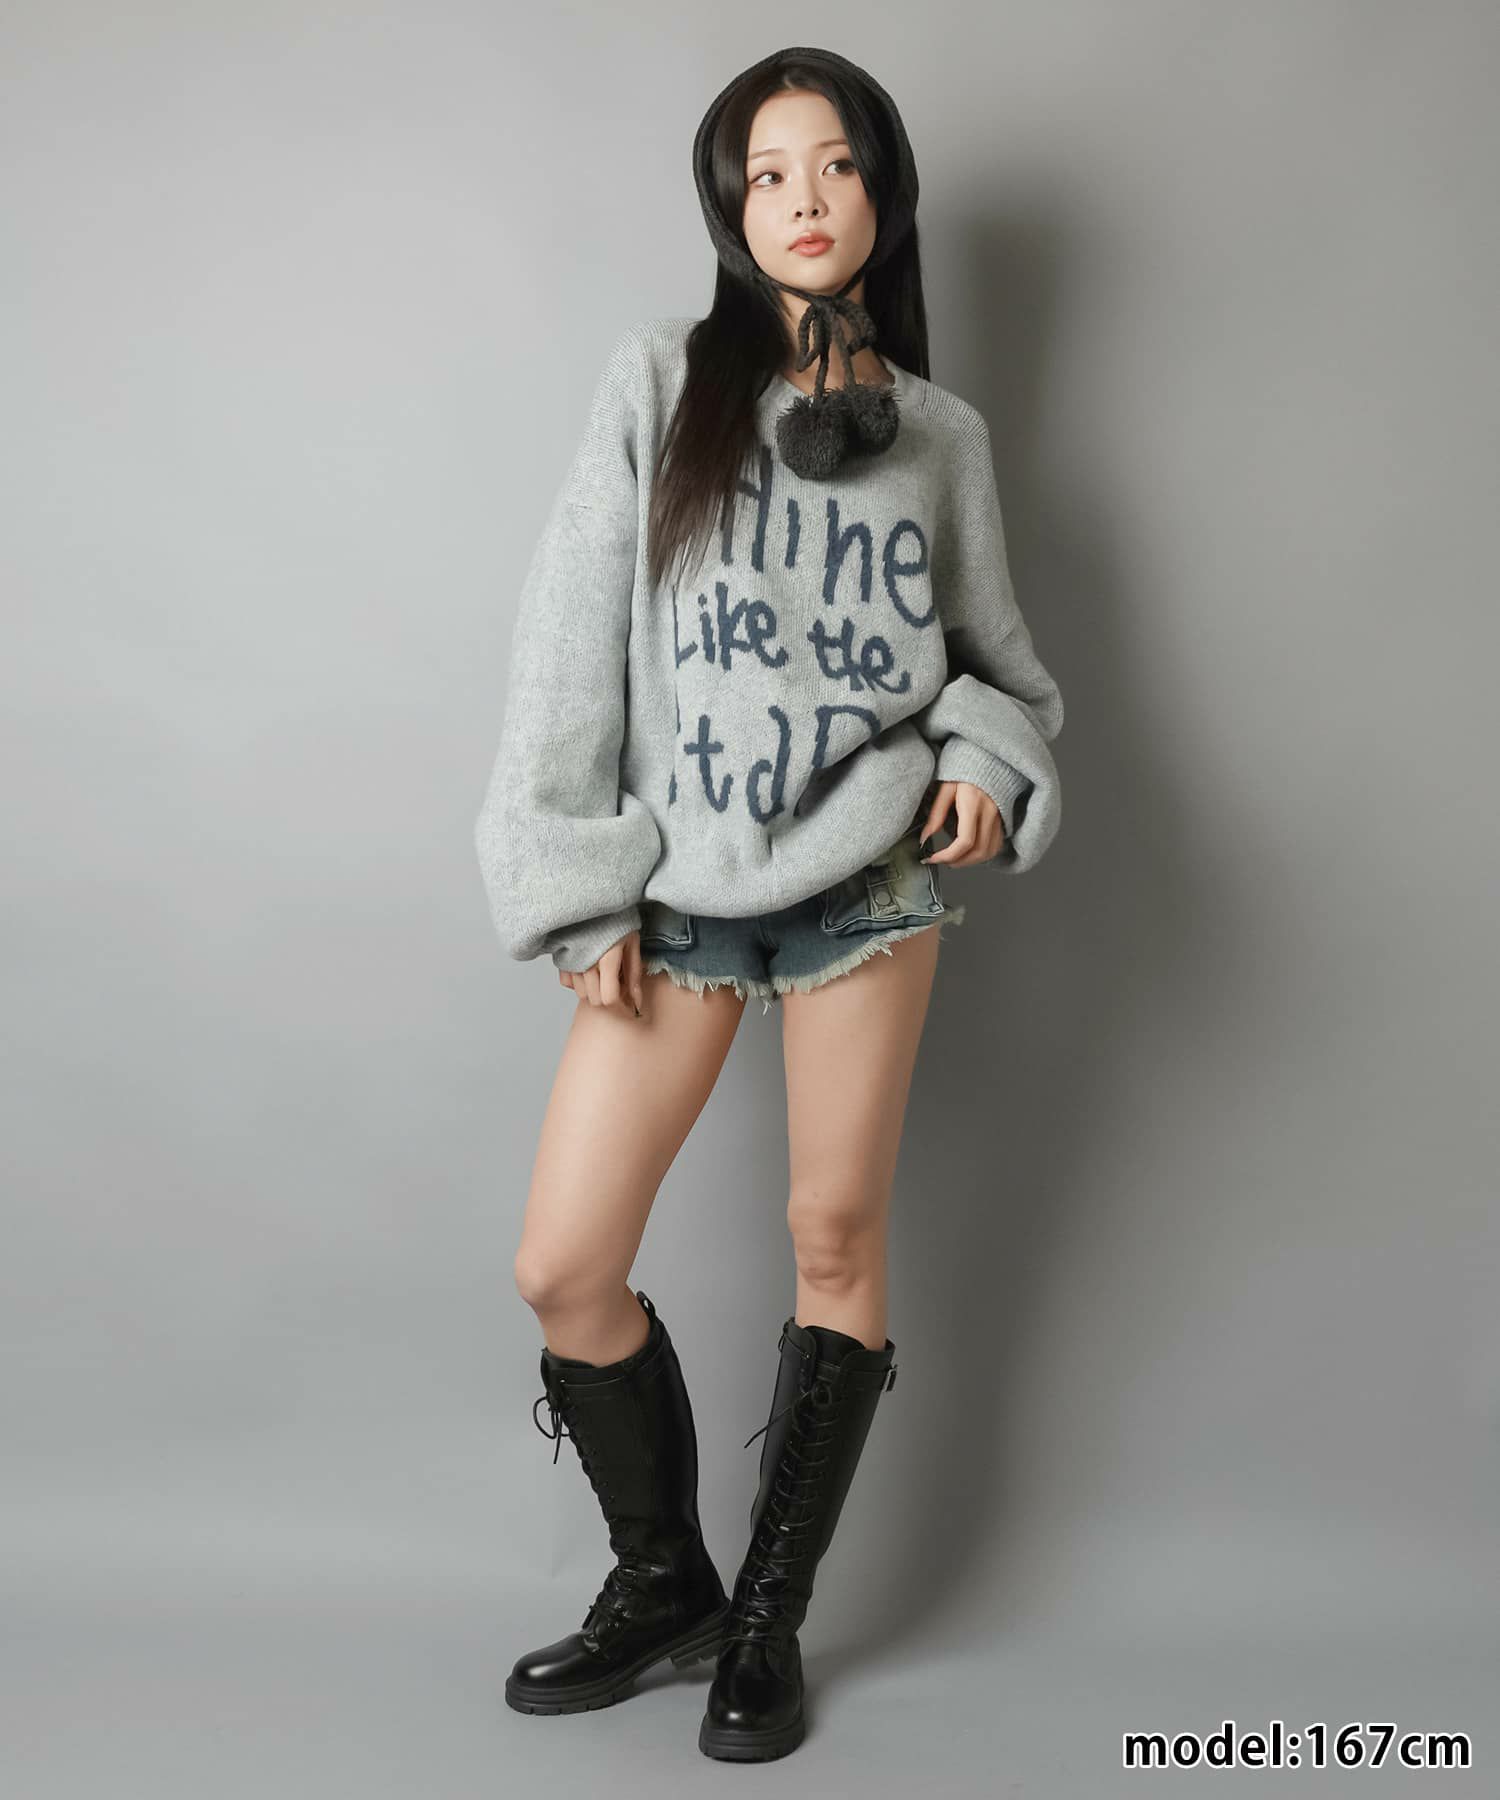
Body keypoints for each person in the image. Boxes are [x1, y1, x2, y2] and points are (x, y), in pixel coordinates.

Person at [472, 46, 1064, 1763]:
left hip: (865, 886)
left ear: (884, 192)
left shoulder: (940, 439)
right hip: (680, 892)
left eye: (836, 165)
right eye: (768, 173)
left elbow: (1001, 669)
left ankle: (767, 1622)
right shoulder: (664, 381)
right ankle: (664, 1578)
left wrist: (987, 754)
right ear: (732, 209)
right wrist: (575, 885)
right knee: (564, 1262)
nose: (804, 198)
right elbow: (566, 643)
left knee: (834, 1241)